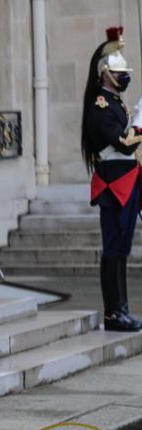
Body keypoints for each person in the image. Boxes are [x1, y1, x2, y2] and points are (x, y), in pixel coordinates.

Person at [81, 26, 142, 332]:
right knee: (113, 249)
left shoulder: (115, 102)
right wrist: (141, 120)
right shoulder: (100, 105)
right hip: (113, 185)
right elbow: (123, 142)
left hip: (128, 181)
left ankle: (123, 308)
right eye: (119, 72)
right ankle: (113, 312)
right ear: (105, 73)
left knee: (123, 248)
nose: (123, 77)